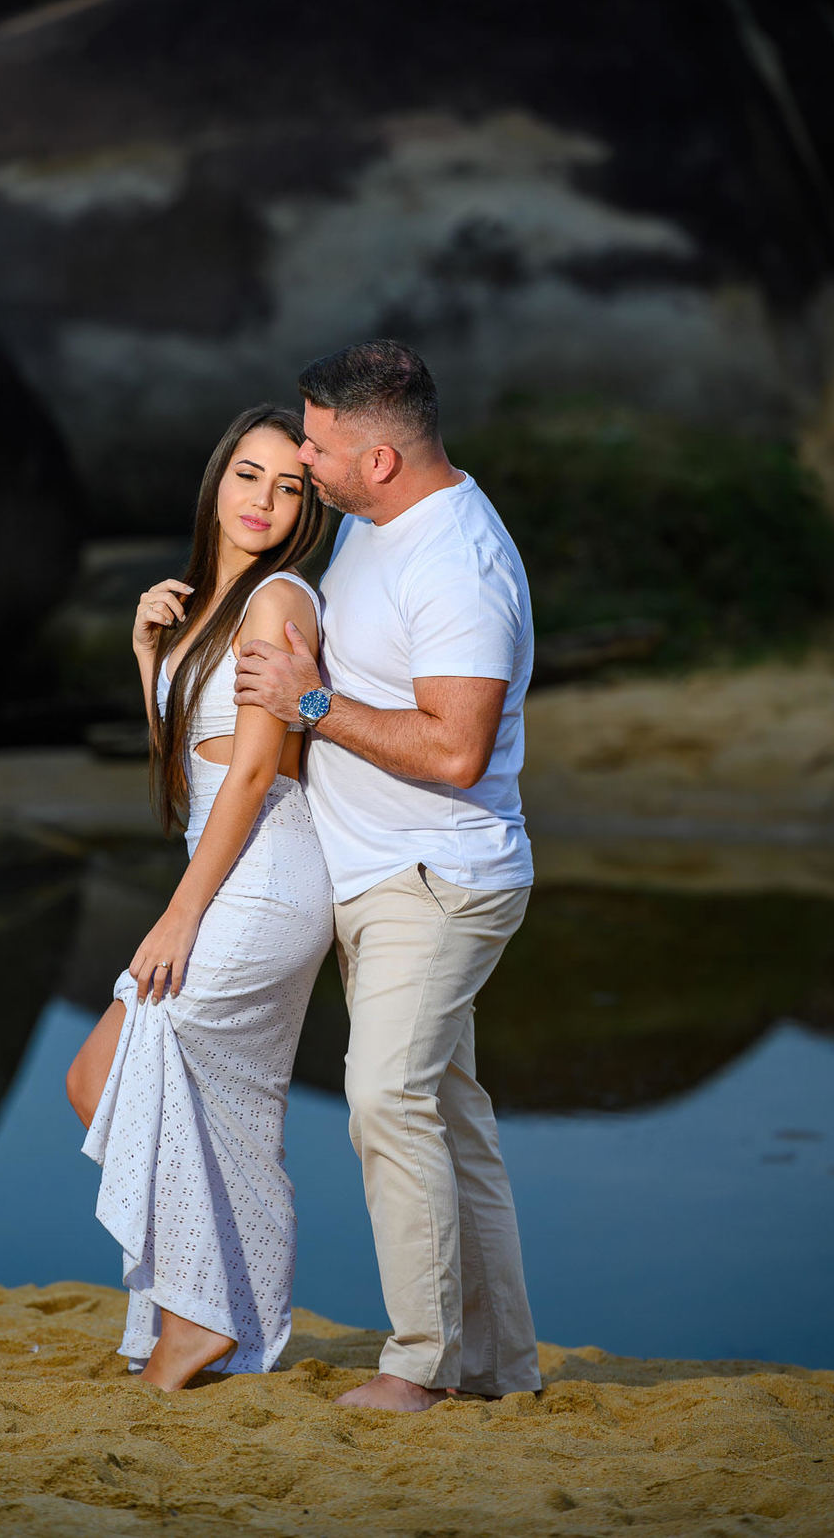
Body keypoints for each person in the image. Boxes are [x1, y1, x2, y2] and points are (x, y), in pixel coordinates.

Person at [235, 340, 541, 1412]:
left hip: (438, 876)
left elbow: (457, 750)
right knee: (451, 1122)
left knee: (384, 1098)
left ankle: (418, 1366)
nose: (304, 460)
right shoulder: (380, 525)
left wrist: (308, 706)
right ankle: (504, 1371)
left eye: (317, 447)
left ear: (379, 459)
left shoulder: (455, 562)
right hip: (380, 876)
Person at [66, 404, 334, 1391]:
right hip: (227, 858)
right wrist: (150, 661)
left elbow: (258, 771)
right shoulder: (216, 606)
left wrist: (179, 912)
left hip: (262, 874)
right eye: (250, 476)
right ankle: (244, 1330)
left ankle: (195, 1321)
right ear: (217, 482)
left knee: (147, 1053)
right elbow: (195, 768)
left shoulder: (280, 602)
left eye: (291, 486)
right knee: (138, 1087)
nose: (265, 500)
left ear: (307, 509)